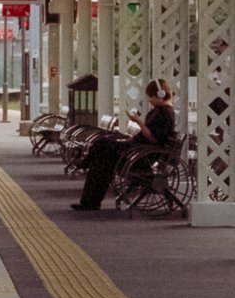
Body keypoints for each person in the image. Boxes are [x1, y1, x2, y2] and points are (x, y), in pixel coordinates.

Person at [74, 79, 178, 211]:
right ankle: (89, 199)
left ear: (161, 94)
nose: (149, 100)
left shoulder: (165, 113)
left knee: (103, 148)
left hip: (142, 153)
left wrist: (139, 122)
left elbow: (153, 138)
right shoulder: (160, 111)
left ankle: (89, 194)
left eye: (151, 96)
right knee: (102, 149)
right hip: (137, 149)